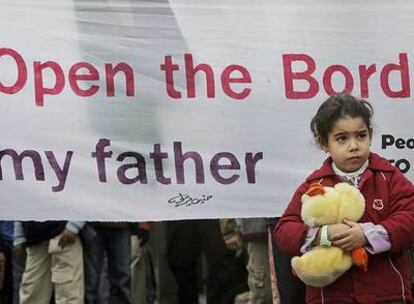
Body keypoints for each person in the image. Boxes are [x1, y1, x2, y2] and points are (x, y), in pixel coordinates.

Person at [273, 93, 414, 304]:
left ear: (370, 135)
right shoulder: (313, 185)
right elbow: (284, 230)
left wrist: (367, 235)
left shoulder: (388, 177)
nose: (354, 146)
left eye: (361, 135)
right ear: (323, 143)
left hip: (387, 295)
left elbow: (410, 217)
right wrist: (324, 234)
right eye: (342, 138)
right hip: (330, 297)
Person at [13, 220, 85, 304]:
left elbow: (84, 206)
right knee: (32, 292)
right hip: (35, 241)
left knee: (69, 293)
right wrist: (19, 236)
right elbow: (21, 207)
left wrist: (74, 225)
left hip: (63, 236)